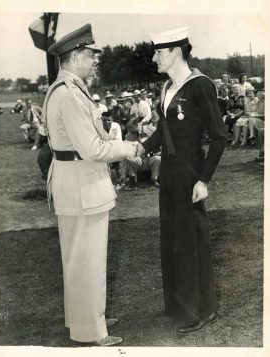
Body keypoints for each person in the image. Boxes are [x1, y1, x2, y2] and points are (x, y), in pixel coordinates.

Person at [44, 23, 137, 346]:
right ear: (75, 56)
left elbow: (84, 139)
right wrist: (127, 148)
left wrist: (108, 135)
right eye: (91, 56)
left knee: (79, 259)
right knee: (87, 261)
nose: (94, 62)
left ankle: (86, 317)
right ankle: (92, 332)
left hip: (76, 183)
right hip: (82, 186)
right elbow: (92, 150)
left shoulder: (67, 88)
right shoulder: (69, 93)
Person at [136, 27, 226, 333]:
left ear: (175, 51)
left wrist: (204, 180)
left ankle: (200, 312)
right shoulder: (166, 88)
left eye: (158, 52)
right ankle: (177, 308)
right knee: (172, 242)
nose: (154, 58)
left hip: (190, 174)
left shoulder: (200, 85)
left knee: (190, 243)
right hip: (169, 174)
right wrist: (141, 148)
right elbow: (164, 130)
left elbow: (219, 136)